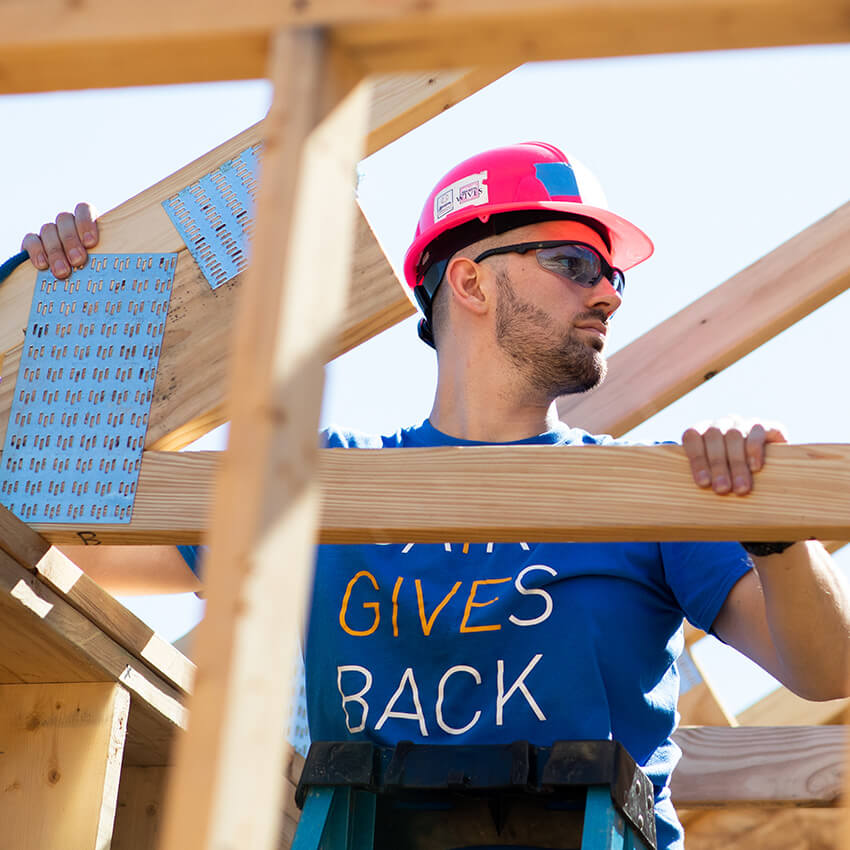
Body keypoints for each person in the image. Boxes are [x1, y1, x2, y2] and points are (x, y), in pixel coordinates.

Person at [20, 142, 850, 849]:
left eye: (612, 277)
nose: (607, 293)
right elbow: (72, 534)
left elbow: (827, 669)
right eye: (573, 264)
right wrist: (75, 313)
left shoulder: (647, 492)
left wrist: (778, 533)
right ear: (471, 281)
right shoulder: (328, 486)